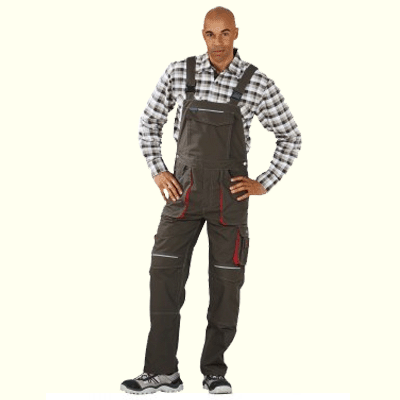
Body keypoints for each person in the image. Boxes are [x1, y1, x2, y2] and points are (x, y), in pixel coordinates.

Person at [120, 6, 302, 395]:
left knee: (225, 284)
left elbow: (291, 136)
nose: (217, 42)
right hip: (182, 193)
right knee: (164, 277)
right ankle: (162, 371)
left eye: (224, 33)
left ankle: (214, 370)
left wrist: (264, 183)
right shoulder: (179, 72)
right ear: (202, 34)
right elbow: (149, 121)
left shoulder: (257, 83)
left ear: (236, 33)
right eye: (209, 34)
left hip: (228, 197)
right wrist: (158, 170)